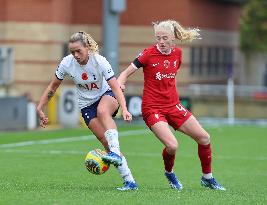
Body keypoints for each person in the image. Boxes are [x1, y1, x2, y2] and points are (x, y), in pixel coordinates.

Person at [118, 20, 226, 191]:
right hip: (152, 108)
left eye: (165, 38)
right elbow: (124, 74)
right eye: (158, 38)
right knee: (172, 146)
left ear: (173, 38)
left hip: (173, 105)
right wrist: (120, 85)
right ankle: (169, 172)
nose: (161, 42)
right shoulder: (147, 54)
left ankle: (207, 178)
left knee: (204, 138)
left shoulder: (178, 54)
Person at [36, 31, 138, 191]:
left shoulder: (100, 61)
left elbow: (115, 86)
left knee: (103, 110)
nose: (75, 55)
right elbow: (52, 86)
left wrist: (124, 108)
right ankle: (130, 181)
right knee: (106, 143)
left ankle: (116, 153)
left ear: (88, 47)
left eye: (78, 51)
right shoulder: (66, 63)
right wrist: (40, 107)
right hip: (86, 105)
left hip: (107, 94)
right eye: (72, 51)